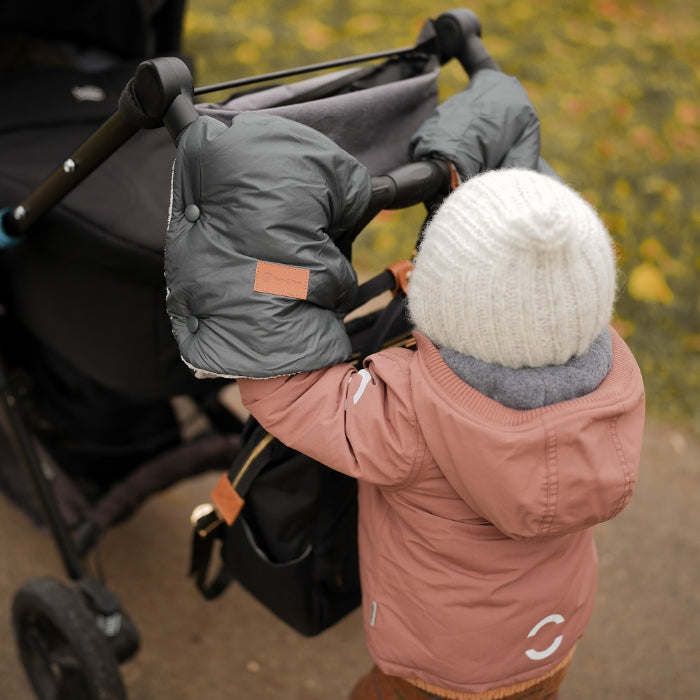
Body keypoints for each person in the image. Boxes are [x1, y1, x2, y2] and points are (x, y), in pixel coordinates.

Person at [164, 70, 645, 699]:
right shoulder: (617, 381)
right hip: (550, 637)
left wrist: (271, 273)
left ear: (436, 309)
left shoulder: (409, 414)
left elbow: (288, 393)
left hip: (438, 664)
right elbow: (541, 275)